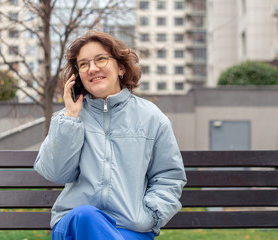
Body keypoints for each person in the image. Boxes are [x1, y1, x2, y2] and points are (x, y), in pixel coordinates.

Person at [34, 30, 186, 240]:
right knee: (85, 215)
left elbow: (169, 177)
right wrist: (71, 118)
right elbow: (56, 173)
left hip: (129, 229)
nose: (92, 68)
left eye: (101, 59)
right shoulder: (67, 118)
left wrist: (150, 215)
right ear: (77, 74)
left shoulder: (152, 118)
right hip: (74, 226)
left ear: (121, 68)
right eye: (84, 64)